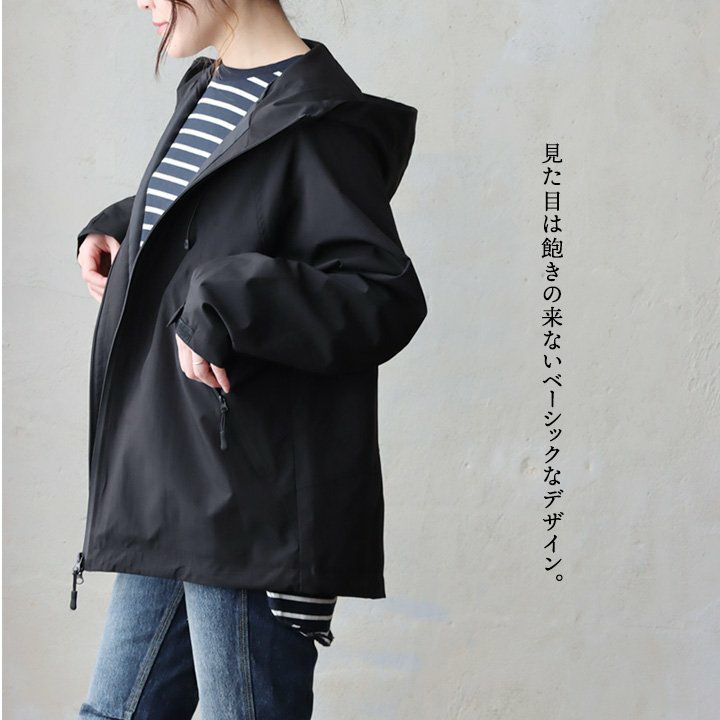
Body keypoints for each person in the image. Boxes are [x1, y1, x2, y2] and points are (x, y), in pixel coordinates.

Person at [73, 0, 427, 718]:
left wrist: (232, 299)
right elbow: (225, 205)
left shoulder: (320, 123)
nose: (144, 1)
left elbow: (383, 295)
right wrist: (119, 227)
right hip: (177, 479)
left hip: (251, 504)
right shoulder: (211, 88)